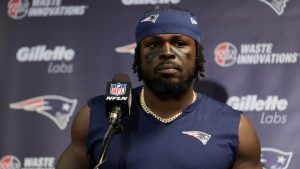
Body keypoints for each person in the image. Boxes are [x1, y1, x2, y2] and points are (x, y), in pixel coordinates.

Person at [56, 6, 262, 169]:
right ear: (139, 57)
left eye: (179, 43)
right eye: (153, 44)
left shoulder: (235, 128)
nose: (167, 52)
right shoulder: (97, 116)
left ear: (197, 55)